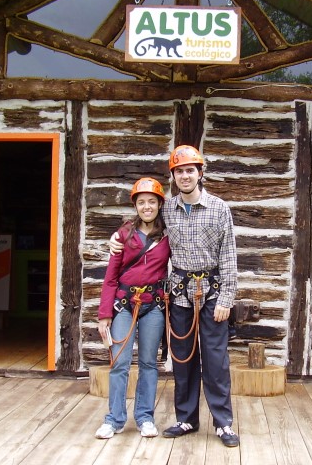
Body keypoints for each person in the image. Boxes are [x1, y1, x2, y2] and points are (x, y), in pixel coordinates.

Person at [110, 145, 239, 447]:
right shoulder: (167, 209)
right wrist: (114, 237)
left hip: (211, 293)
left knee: (216, 360)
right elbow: (140, 223)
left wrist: (226, 299)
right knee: (183, 359)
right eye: (179, 171)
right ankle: (186, 418)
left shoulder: (220, 208)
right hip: (179, 293)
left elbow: (230, 255)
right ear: (173, 176)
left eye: (189, 170)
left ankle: (223, 423)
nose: (184, 175)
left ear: (200, 173)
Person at [95, 177, 170, 440]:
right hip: (124, 306)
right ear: (135, 205)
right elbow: (110, 278)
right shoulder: (123, 235)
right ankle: (114, 419)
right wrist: (105, 315)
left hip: (153, 306)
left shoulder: (168, 235)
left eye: (152, 201)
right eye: (141, 202)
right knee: (120, 362)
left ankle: (145, 417)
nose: (147, 207)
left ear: (159, 204)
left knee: (150, 363)